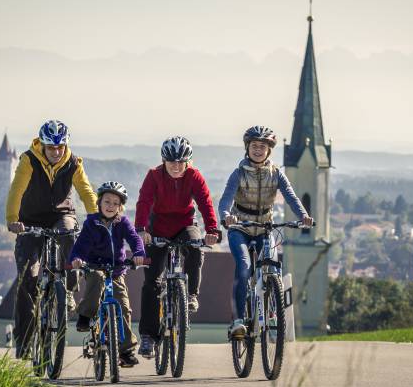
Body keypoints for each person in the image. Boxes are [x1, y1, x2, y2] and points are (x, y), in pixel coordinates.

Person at [6, 119, 98, 359]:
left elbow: (86, 191)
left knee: (69, 234)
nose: (56, 152)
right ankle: (25, 344)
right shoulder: (29, 160)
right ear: (43, 145)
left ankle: (68, 290)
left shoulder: (73, 162)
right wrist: (13, 219)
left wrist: (97, 218)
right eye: (51, 148)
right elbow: (16, 189)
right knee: (27, 280)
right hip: (30, 219)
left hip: (61, 214)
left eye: (60, 147)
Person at [218, 126, 313, 338]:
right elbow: (225, 199)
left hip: (264, 228)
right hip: (239, 228)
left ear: (269, 150)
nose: (258, 150)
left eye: (262, 146)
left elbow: (291, 196)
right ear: (247, 148)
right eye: (254, 146)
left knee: (272, 264)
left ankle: (271, 306)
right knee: (244, 266)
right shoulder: (239, 174)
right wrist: (226, 215)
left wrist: (303, 215)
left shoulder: (276, 174)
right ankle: (238, 321)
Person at [135, 136, 220, 358]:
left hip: (184, 225)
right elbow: (144, 202)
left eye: (180, 161)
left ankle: (191, 294)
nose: (175, 166)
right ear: (163, 161)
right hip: (158, 228)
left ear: (188, 161)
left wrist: (212, 229)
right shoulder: (154, 176)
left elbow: (205, 202)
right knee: (152, 283)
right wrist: (141, 229)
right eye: (171, 161)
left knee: (195, 246)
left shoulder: (194, 176)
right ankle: (148, 336)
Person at [69, 181, 145, 368]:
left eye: (115, 203)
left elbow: (134, 239)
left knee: (124, 307)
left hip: (117, 271)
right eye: (107, 202)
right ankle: (85, 316)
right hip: (95, 267)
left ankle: (126, 350)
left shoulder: (123, 223)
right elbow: (80, 245)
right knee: (97, 279)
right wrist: (77, 258)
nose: (110, 206)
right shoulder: (91, 223)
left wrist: (139, 253)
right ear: (99, 203)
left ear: (120, 207)